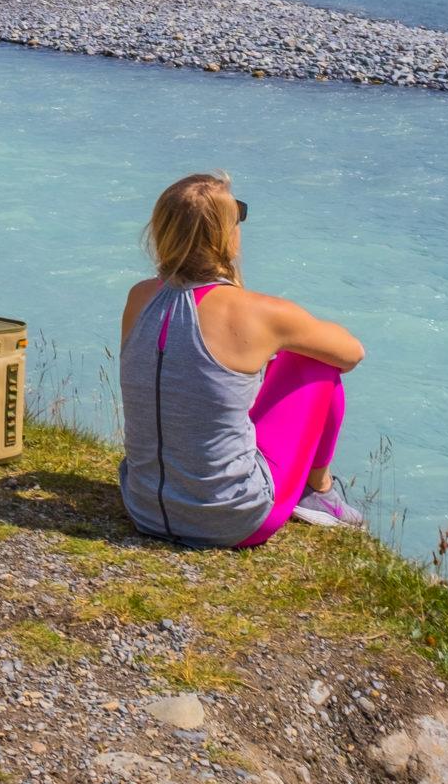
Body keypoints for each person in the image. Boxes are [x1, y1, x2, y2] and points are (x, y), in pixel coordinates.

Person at [117, 170, 367, 547]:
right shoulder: (258, 313)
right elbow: (351, 353)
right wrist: (283, 340)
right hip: (235, 519)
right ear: (226, 237)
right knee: (316, 362)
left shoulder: (138, 298)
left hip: (144, 507)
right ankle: (320, 492)